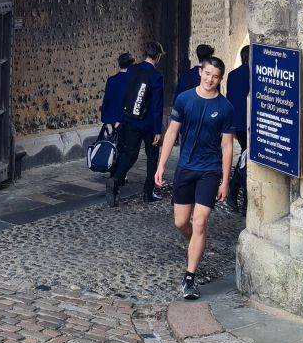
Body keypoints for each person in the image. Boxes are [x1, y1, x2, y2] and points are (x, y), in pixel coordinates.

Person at [154, 57, 235, 299]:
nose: (210, 79)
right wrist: (160, 166)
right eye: (207, 74)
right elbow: (171, 133)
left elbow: (228, 146)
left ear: (220, 79)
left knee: (200, 223)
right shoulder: (185, 99)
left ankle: (189, 278)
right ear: (200, 72)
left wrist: (226, 180)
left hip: (210, 171)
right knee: (181, 223)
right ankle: (195, 244)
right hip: (186, 168)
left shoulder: (225, 107)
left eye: (216, 76)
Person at [106, 41, 164, 206]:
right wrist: (157, 130)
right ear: (158, 57)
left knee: (130, 154)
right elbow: (157, 105)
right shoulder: (156, 76)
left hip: (130, 120)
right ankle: (148, 192)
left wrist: (121, 118)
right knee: (152, 155)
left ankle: (115, 179)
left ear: (145, 54)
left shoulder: (132, 70)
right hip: (148, 123)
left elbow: (126, 95)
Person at [226, 44, 250, 151]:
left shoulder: (232, 74)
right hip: (252, 119)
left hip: (237, 119)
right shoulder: (256, 74)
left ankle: (242, 166)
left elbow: (229, 98)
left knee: (244, 148)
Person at [100, 52, 134, 125]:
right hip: (124, 119)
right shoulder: (132, 81)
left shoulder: (111, 80)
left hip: (112, 117)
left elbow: (106, 100)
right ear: (131, 65)